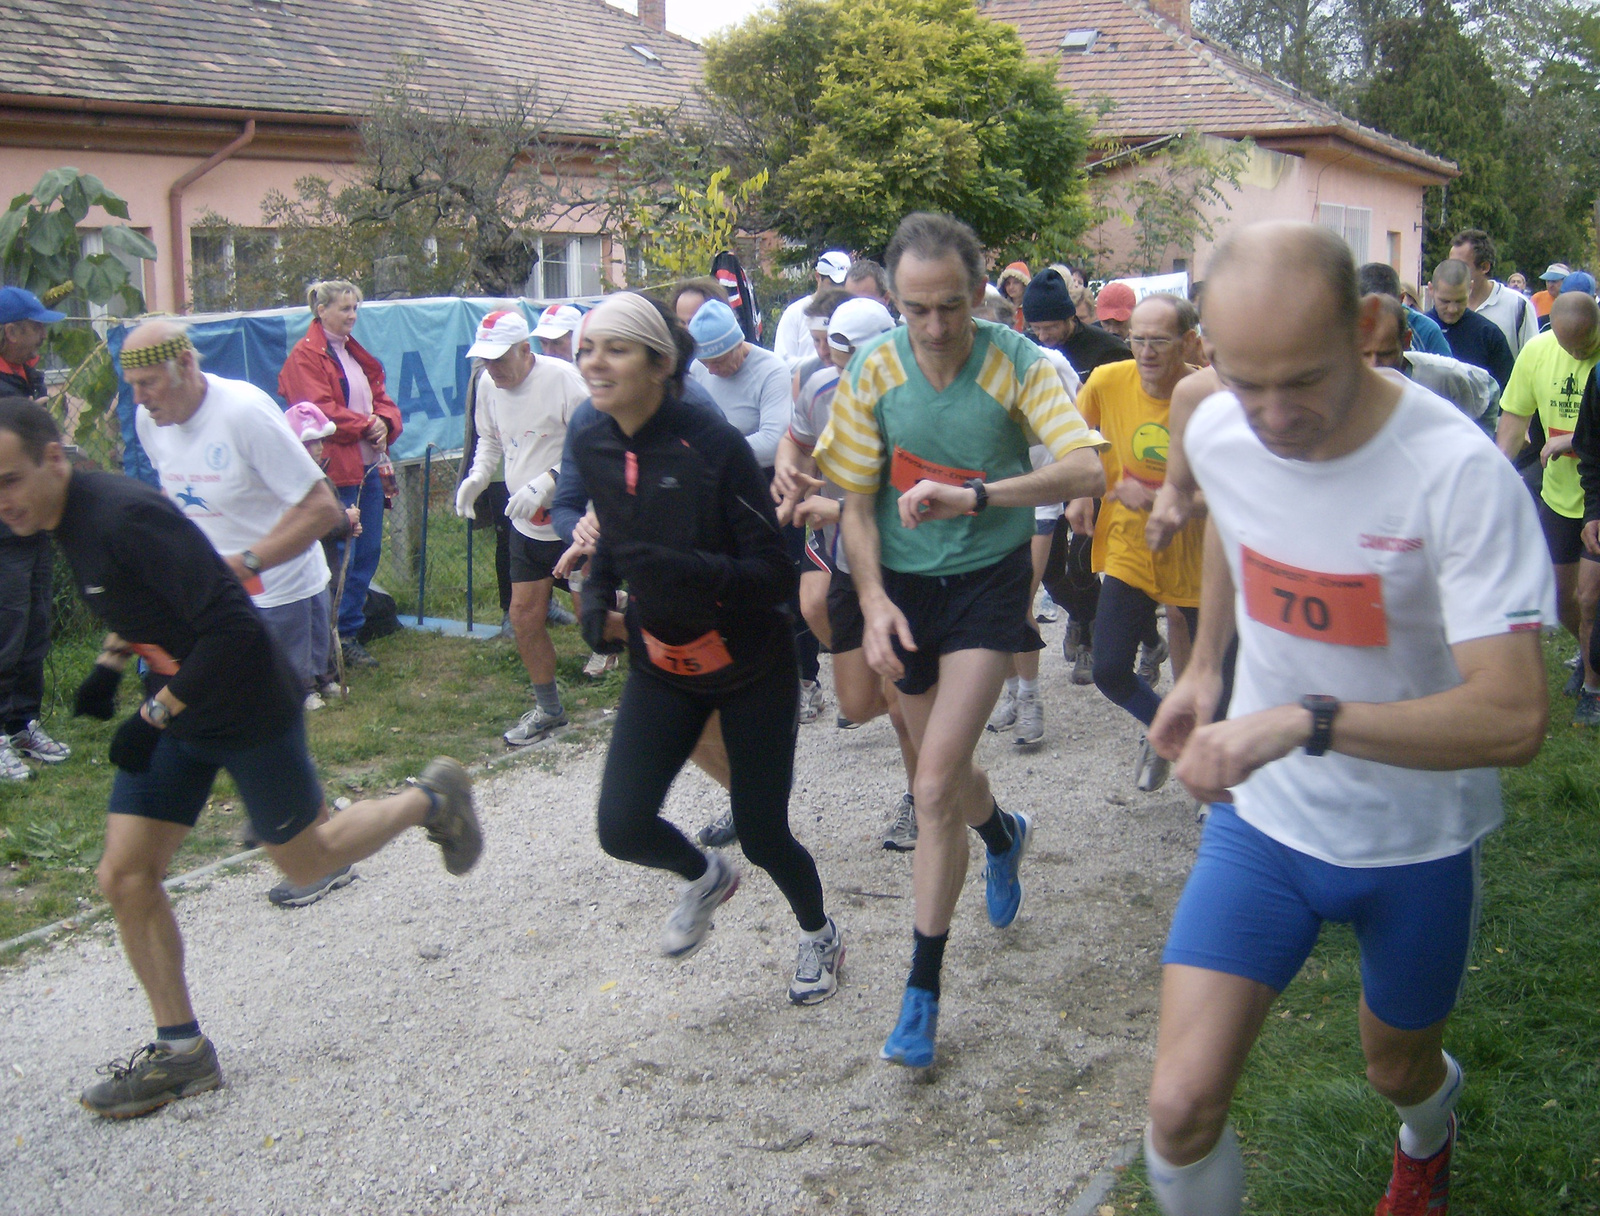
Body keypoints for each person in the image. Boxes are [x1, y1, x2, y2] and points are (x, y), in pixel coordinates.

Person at [1141, 221, 1553, 1216]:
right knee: (1180, 1105)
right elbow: (1241, 528)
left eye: (1302, 381)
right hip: (1264, 823)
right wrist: (1203, 667)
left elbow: (1512, 716)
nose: (1273, 416)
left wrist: (1302, 718)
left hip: (1412, 838)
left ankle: (1428, 1129)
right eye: (1247, 380)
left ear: (1368, 324)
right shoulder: (1215, 418)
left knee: (1394, 1069)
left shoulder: (1453, 472)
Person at [0, 396, 484, 1118]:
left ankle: (432, 800)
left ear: (51, 459)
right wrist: (108, 664)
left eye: (7, 479)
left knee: (309, 860)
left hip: (245, 696)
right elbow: (145, 604)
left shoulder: (122, 516)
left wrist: (153, 712)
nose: (0, 500)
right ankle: (183, 1054)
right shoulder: (60, 515)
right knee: (125, 874)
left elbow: (226, 621)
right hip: (181, 702)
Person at [813, 212, 1107, 1068]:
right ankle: (1007, 833)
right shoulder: (873, 369)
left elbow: (1088, 468)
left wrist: (977, 495)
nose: (936, 328)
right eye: (917, 310)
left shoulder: (1018, 361)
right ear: (895, 303)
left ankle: (922, 990)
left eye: (950, 307)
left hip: (985, 584)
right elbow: (857, 501)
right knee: (945, 771)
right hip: (901, 592)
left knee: (934, 781)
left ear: (980, 294)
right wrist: (869, 602)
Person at [571, 291, 844, 1005]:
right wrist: (597, 596)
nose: (595, 362)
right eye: (587, 349)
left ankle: (819, 932)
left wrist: (683, 569)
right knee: (621, 826)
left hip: (751, 666)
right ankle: (704, 875)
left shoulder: (710, 443)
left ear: (661, 364)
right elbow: (612, 527)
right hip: (663, 667)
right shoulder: (590, 435)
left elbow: (772, 575)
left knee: (761, 833)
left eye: (616, 348)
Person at [774, 295, 924, 850]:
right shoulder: (818, 386)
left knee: (899, 699)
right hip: (845, 559)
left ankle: (921, 799)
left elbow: (915, 497)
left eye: (856, 357)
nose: (848, 370)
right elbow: (796, 438)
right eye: (838, 358)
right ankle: (930, 749)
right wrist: (790, 471)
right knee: (858, 704)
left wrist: (836, 509)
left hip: (907, 562)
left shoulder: (915, 399)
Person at [1066, 294, 1204, 793]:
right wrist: (1083, 490)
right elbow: (1076, 438)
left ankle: (1213, 779)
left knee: (1212, 679)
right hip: (1130, 545)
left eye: (1158, 341)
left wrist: (1161, 499)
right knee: (1108, 669)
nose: (1145, 352)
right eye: (1137, 339)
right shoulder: (1106, 381)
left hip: (1199, 555)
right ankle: (1169, 730)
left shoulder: (1209, 395)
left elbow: (1239, 492)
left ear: (1188, 341)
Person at [454, 309, 590, 745]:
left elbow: (593, 442)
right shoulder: (488, 386)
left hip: (575, 515)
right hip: (525, 521)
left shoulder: (564, 379)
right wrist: (476, 479)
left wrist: (550, 480)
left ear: (524, 351)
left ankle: (663, 663)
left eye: (499, 359)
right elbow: (490, 440)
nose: (492, 368)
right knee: (523, 615)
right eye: (485, 359)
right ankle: (549, 708)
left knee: (596, 623)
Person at [688, 300, 825, 722]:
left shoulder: (769, 370)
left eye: (718, 360)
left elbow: (773, 438)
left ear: (738, 346)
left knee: (784, 584)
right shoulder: (698, 372)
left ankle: (806, 678)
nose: (711, 369)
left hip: (768, 487)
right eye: (704, 362)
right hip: (715, 489)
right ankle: (742, 672)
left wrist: (708, 450)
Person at [278, 280, 404, 671]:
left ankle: (348, 631)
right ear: (321, 311)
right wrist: (367, 423)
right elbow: (318, 411)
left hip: (368, 464)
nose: (352, 315)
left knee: (366, 552)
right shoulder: (305, 356)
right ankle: (331, 637)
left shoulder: (352, 352)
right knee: (340, 556)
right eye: (345, 308)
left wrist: (384, 420)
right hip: (337, 467)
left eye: (355, 309)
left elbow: (380, 395)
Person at [1023, 266, 1135, 683]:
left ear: (1072, 316)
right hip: (1054, 471)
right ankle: (1087, 616)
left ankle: (1092, 638)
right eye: (1036, 328)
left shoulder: (1108, 351)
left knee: (1080, 561)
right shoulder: (1032, 356)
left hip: (1099, 466)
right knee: (1050, 573)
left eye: (1051, 326)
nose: (1044, 336)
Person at [1494, 291, 1600, 722]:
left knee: (1590, 597)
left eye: (1585, 345)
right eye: (1568, 346)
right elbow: (1515, 417)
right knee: (1561, 599)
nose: (1576, 354)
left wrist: (1572, 440)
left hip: (1597, 495)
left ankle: (1593, 684)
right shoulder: (1537, 351)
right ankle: (1587, 652)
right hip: (1559, 495)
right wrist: (1496, 474)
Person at [0, 287, 70, 781]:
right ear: (9, 331)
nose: (43, 336)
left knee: (34, 629)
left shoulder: (24, 380)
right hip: (3, 528)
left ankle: (21, 721)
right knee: (5, 630)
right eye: (35, 327)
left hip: (34, 524)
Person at [1359, 293, 1501, 436]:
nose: (1373, 365)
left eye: (1385, 354)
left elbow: (1489, 389)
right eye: (1364, 354)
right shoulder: (1344, 382)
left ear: (1406, 341)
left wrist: (1480, 446)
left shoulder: (1441, 375)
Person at [1426, 259, 1515, 390]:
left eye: (1460, 301)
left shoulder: (1488, 334)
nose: (1452, 309)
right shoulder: (1419, 330)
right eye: (1445, 301)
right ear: (1431, 290)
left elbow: (1507, 391)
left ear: (1471, 288)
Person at [1449, 228, 1539, 356]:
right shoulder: (1446, 305)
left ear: (1484, 267)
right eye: (1450, 265)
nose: (1453, 271)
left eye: (1460, 266)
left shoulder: (1518, 305)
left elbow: (1533, 358)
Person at [774, 252, 853, 367]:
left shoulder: (851, 312)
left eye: (842, 284)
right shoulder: (795, 313)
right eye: (833, 284)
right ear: (817, 277)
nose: (838, 290)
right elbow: (782, 362)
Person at [1358, 262, 1451, 356]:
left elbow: (1448, 369)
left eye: (1386, 354)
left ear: (1401, 299)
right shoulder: (1344, 329)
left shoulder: (1426, 332)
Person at [997, 262, 1031, 330]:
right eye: (1008, 283)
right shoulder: (1000, 308)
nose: (1011, 287)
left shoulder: (1031, 308)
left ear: (1024, 284)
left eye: (1016, 282)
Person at [1533, 263, 1569, 328]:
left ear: (1566, 280)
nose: (1550, 285)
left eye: (1554, 281)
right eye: (1548, 281)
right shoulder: (1537, 298)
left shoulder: (1572, 300)